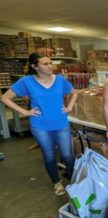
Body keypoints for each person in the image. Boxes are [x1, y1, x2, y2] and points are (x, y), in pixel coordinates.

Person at [1, 52, 78, 196]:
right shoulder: (26, 82)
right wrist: (25, 112)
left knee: (67, 155)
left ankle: (75, 182)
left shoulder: (60, 80)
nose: (50, 66)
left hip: (61, 124)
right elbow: (5, 98)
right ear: (35, 67)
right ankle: (57, 183)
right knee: (49, 156)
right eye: (45, 64)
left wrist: (69, 107)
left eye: (50, 63)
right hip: (40, 126)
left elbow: (75, 93)